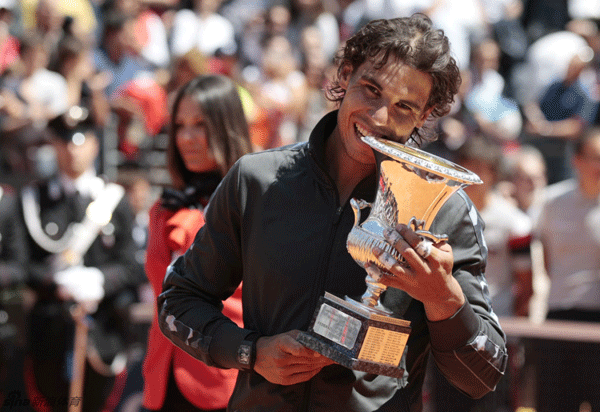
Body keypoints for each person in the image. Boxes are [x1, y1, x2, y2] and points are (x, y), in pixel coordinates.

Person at [158, 14, 507, 412]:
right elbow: (178, 301)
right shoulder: (255, 181)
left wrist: (443, 299)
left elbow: (482, 376)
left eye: (404, 107)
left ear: (425, 115)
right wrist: (250, 352)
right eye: (371, 90)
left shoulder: (445, 208)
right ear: (344, 74)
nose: (379, 117)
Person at [18, 105, 145, 412]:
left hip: (103, 335)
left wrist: (100, 280)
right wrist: (57, 282)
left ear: (94, 144)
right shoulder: (34, 201)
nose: (71, 151)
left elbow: (133, 266)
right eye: (63, 142)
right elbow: (22, 264)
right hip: (50, 336)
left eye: (79, 141)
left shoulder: (113, 200)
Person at [141, 74, 251, 412]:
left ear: (226, 127)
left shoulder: (257, 204)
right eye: (179, 126)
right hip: (163, 377)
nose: (186, 138)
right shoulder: (165, 208)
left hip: (223, 379)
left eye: (200, 125)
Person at [532, 127, 600, 412]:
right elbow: (545, 260)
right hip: (558, 318)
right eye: (595, 157)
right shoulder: (551, 202)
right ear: (577, 160)